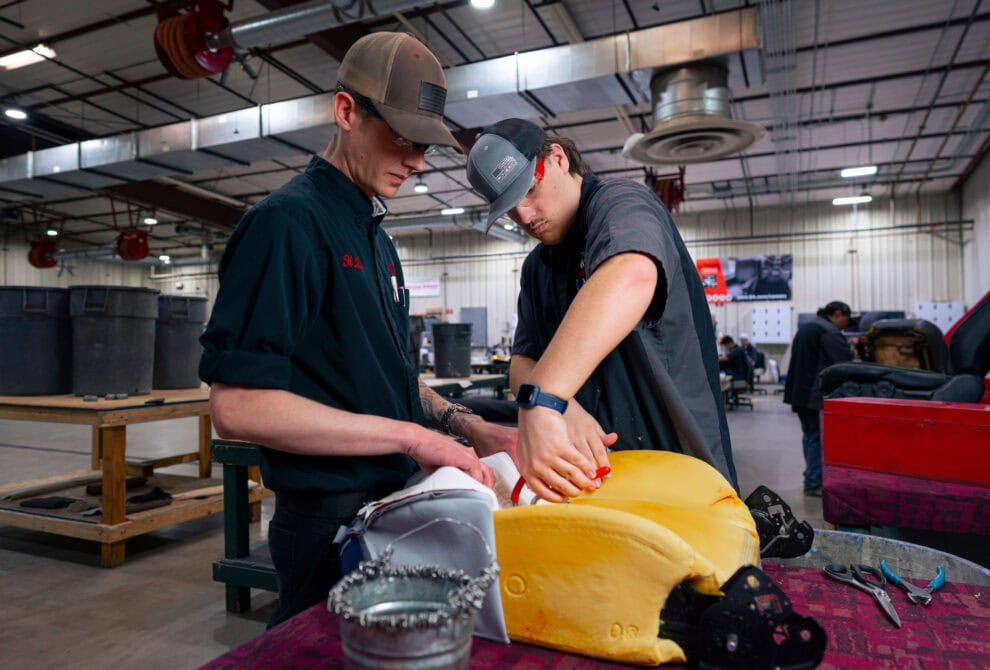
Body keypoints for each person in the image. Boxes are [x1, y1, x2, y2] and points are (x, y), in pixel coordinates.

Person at [198, 32, 516, 628]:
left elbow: (391, 378)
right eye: (402, 138)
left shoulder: (377, 240)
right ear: (346, 111)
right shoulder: (286, 226)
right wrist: (411, 438)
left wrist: (470, 428)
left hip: (390, 506)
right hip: (326, 524)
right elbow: (237, 407)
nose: (417, 161)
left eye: (425, 144)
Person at [465, 118, 738, 503]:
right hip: (598, 478)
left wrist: (543, 400)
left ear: (557, 158)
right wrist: (565, 406)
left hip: (680, 469)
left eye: (529, 191)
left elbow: (632, 275)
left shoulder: (621, 204)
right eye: (511, 210)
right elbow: (522, 363)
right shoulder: (536, 268)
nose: (524, 216)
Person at [783, 301, 853, 496]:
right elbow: (844, 361)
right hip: (813, 396)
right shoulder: (828, 331)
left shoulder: (808, 327)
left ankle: (810, 477)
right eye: (846, 320)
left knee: (809, 436)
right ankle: (813, 483)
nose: (845, 325)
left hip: (799, 393)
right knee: (815, 438)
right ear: (838, 314)